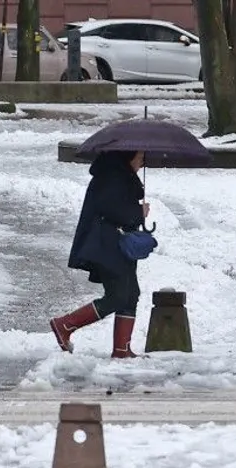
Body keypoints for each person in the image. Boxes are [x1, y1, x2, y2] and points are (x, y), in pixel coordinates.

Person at [49, 150, 149, 359]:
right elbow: (112, 211)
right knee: (118, 296)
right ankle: (65, 324)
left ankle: (122, 350)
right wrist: (138, 212)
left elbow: (118, 208)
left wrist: (136, 210)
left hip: (117, 245)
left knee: (131, 294)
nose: (142, 162)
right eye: (140, 158)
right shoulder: (113, 177)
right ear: (127, 157)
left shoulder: (118, 175)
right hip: (106, 246)